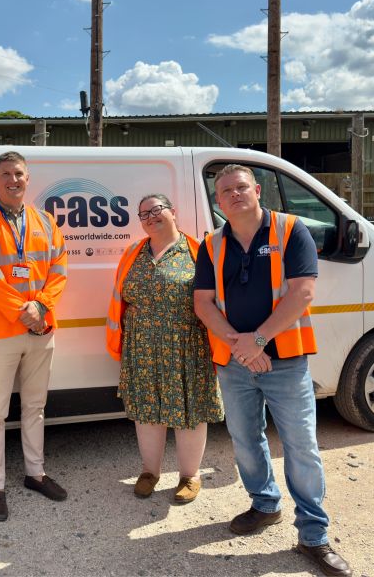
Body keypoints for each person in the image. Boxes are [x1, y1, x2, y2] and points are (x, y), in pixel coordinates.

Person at [193, 164, 351, 577]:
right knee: (246, 441)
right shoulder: (211, 244)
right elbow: (203, 303)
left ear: (257, 190)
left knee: (301, 447)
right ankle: (265, 505)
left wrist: (258, 339)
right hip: (235, 363)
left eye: (240, 187)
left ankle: (314, 535)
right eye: (224, 191)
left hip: (285, 361)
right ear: (218, 200)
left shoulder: (290, 230)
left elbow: (303, 293)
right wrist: (241, 345)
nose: (233, 195)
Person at [0, 151, 68, 522]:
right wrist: (22, 311)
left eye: (19, 174)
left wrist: (39, 307)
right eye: (5, 174)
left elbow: (59, 270)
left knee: (35, 407)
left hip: (41, 329)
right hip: (2, 330)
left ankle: (35, 474)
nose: (13, 180)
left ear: (28, 178)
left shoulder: (45, 221)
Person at [106, 194, 223, 503]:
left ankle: (190, 475)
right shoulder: (134, 252)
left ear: (174, 211)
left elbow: (214, 299)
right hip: (141, 347)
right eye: (143, 213)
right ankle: (149, 472)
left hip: (187, 346)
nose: (150, 216)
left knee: (190, 411)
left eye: (157, 209)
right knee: (147, 412)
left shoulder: (198, 251)